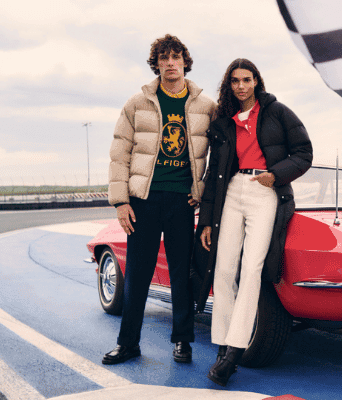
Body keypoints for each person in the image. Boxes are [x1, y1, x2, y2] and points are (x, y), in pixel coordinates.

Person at [196, 58, 312, 386]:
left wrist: (275, 175)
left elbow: (304, 152)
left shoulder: (277, 112)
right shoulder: (224, 122)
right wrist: (206, 220)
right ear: (229, 84)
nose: (241, 86)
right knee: (223, 270)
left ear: (257, 81)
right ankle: (222, 345)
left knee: (251, 271)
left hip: (265, 192)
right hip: (231, 192)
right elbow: (212, 174)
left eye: (247, 79)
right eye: (235, 80)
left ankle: (233, 353)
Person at [102, 34, 216, 365]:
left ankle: (182, 341)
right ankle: (128, 343)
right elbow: (118, 154)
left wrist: (201, 191)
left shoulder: (205, 107)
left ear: (185, 62)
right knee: (138, 274)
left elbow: (225, 152)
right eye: (163, 58)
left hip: (182, 202)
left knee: (182, 274)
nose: (170, 63)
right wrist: (121, 201)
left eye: (175, 57)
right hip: (144, 203)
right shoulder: (136, 104)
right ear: (157, 64)